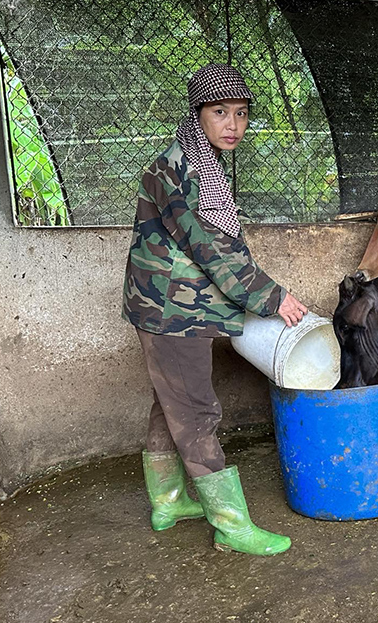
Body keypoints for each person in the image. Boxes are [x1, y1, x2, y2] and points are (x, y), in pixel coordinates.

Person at [122, 63, 308, 556]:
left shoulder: (201, 163)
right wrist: (273, 297)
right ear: (198, 113)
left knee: (171, 405)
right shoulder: (174, 168)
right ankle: (232, 525)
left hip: (176, 309)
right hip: (171, 313)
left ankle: (167, 502)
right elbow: (207, 246)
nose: (233, 124)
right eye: (220, 111)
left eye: (241, 114)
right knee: (197, 412)